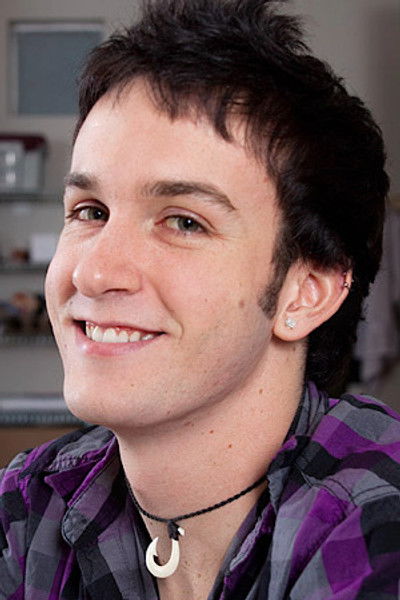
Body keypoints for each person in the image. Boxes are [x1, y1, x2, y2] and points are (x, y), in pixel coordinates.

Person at [1, 0, 398, 598]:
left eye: (184, 222)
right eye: (90, 211)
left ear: (305, 293)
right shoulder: (29, 508)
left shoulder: (376, 524)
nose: (94, 273)